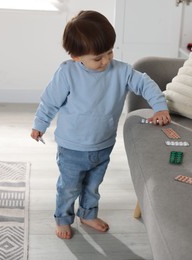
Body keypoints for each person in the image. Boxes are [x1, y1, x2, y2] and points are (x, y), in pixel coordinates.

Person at [30, 10, 171, 239]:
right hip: (72, 147)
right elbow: (49, 101)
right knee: (69, 188)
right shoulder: (67, 73)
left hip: (103, 144)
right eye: (98, 58)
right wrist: (40, 124)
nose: (106, 61)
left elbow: (145, 84)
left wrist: (159, 107)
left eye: (109, 52)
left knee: (93, 187)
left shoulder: (122, 71)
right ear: (77, 57)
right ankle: (63, 218)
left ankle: (87, 214)